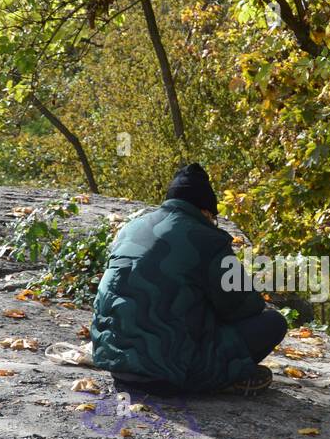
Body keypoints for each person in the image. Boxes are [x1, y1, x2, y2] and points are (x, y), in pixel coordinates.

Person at [90, 163, 287, 395]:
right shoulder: (208, 239)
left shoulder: (130, 228)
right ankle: (224, 376)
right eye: (213, 217)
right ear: (205, 211)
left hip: (117, 365)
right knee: (274, 323)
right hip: (170, 375)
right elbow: (245, 307)